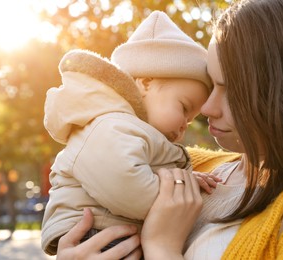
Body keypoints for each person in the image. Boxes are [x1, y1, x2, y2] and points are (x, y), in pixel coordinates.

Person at [57, 0, 283, 259]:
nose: (207, 108)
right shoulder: (184, 164)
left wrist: (162, 248)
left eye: (229, 89)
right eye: (211, 84)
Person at [41, 10, 216, 255]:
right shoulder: (109, 123)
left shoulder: (129, 129)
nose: (184, 126)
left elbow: (136, 169)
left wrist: (181, 181)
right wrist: (175, 196)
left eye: (190, 119)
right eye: (184, 108)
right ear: (145, 83)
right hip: (95, 232)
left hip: (110, 230)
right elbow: (122, 181)